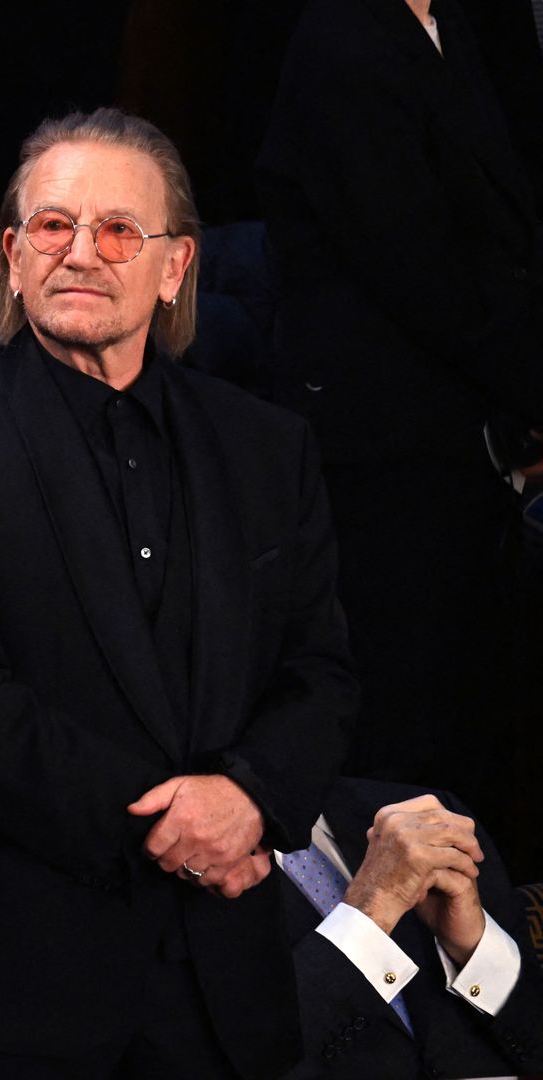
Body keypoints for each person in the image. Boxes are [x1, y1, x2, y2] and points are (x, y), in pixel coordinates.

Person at [0, 107, 359, 1078]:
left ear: (175, 266)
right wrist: (188, 832)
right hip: (13, 983)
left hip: (225, 987)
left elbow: (321, 674)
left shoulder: (268, 447)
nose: (81, 253)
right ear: (12, 257)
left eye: (120, 230)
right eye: (53, 225)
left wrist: (250, 799)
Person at [258, 0, 543, 878]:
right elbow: (421, 267)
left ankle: (475, 943)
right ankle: (388, 949)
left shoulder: (459, 25)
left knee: (469, 721)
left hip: (462, 436)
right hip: (380, 453)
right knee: (402, 738)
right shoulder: (341, 39)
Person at [277, 779, 543, 1078]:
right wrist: (370, 914)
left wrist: (475, 950)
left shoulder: (432, 813)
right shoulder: (231, 876)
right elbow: (259, 1054)